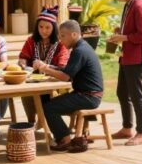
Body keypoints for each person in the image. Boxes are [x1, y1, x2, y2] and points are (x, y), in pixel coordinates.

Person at [39, 19, 104, 153]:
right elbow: (67, 70)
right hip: (86, 94)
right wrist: (50, 67)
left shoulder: (79, 51)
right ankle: (65, 136)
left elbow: (65, 77)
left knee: (49, 107)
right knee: (48, 102)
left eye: (63, 35)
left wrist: (45, 69)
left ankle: (65, 140)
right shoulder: (82, 47)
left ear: (74, 35)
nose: (60, 39)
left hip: (88, 97)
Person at [107, 0, 142, 146]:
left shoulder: (139, 6)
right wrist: (121, 31)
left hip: (137, 57)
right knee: (122, 92)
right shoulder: (129, 3)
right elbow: (133, 29)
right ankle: (127, 128)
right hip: (127, 56)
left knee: (136, 95)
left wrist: (123, 37)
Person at [18, 6, 70, 122]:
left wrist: (44, 66)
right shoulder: (31, 41)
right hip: (33, 80)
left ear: (54, 28)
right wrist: (22, 64)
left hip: (53, 83)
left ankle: (47, 121)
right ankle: (31, 122)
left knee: (45, 95)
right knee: (26, 93)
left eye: (47, 27)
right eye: (41, 27)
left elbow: (62, 67)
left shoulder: (61, 44)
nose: (44, 30)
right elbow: (23, 57)